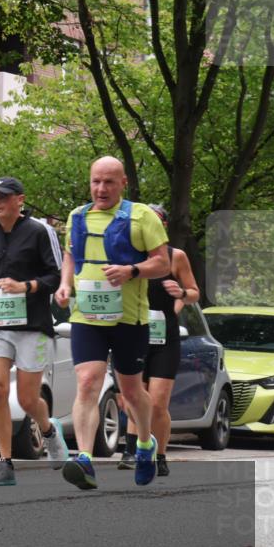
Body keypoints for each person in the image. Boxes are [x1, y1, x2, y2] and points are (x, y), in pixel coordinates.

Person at [54, 157, 170, 489]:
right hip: (87, 316)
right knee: (88, 382)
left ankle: (145, 443)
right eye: (95, 181)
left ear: (123, 184)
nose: (101, 188)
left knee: (132, 392)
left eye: (108, 182)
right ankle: (86, 459)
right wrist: (65, 285)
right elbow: (71, 255)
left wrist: (131, 271)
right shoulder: (77, 216)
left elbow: (162, 263)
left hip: (128, 319)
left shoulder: (142, 216)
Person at [0, 177, 69, 486]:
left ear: (20, 200)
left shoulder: (40, 232)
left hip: (32, 326)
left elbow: (55, 278)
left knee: (28, 400)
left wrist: (24, 287)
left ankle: (48, 429)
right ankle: (5, 464)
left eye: (3, 196)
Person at [116, 204, 200, 476]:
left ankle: (160, 456)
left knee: (157, 402)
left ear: (161, 226)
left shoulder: (176, 257)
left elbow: (193, 293)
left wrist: (181, 296)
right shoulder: (128, 257)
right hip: (132, 331)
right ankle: (133, 450)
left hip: (165, 338)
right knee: (131, 399)